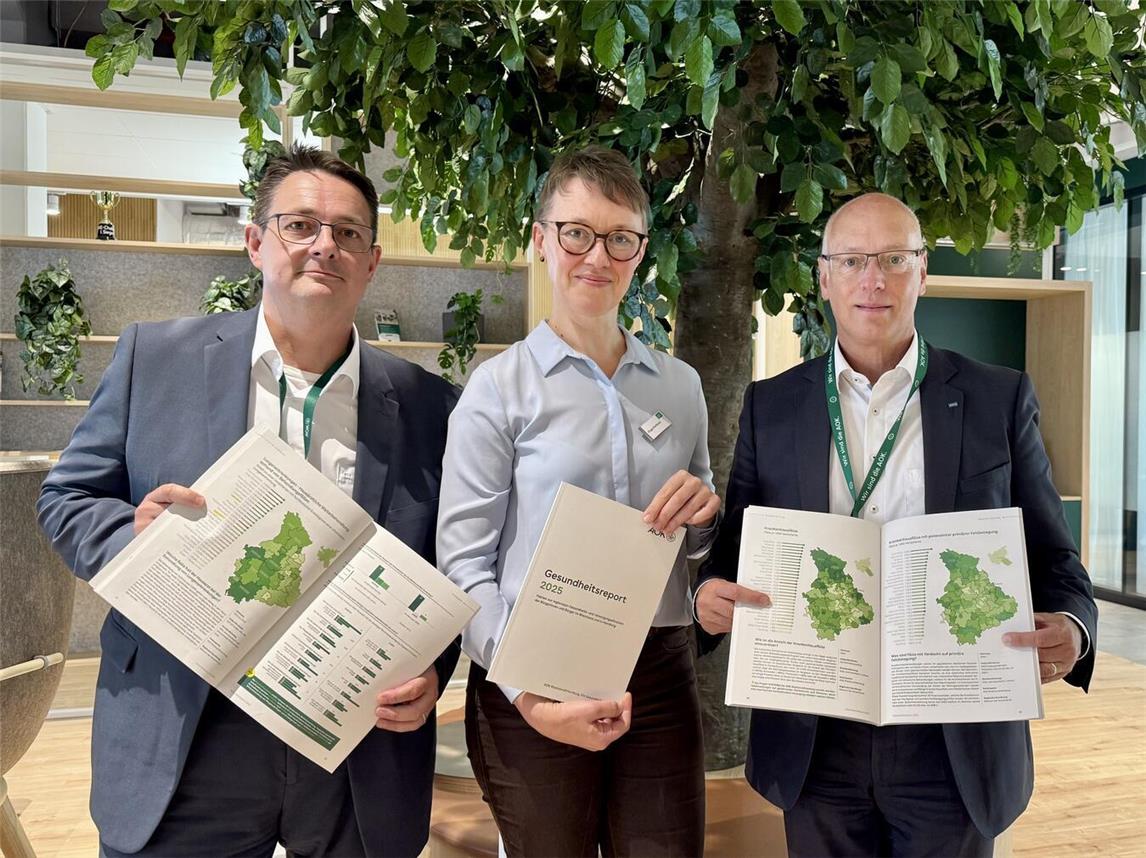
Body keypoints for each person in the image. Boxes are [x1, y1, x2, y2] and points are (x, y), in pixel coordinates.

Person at [38, 145, 459, 858]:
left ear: (373, 261)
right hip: (190, 733)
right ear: (255, 243)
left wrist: (434, 671)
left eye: (349, 233)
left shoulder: (429, 405)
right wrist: (133, 537)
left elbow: (446, 568)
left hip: (352, 743)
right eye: (300, 225)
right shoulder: (155, 357)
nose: (325, 245)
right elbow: (67, 497)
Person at [694, 192, 1098, 857]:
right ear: (823, 277)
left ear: (922, 272)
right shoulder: (775, 407)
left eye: (893, 259)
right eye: (852, 260)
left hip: (953, 738)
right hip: (816, 735)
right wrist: (708, 593)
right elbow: (734, 553)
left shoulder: (999, 398)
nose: (873, 279)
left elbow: (1056, 560)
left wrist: (1075, 628)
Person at [436, 145, 720, 856]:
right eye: (576, 232)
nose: (598, 255)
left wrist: (706, 521)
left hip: (658, 665)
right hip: (533, 667)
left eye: (621, 238)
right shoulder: (498, 391)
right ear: (541, 240)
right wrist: (529, 692)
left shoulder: (679, 386)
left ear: (641, 251)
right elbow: (463, 569)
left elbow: (701, 546)